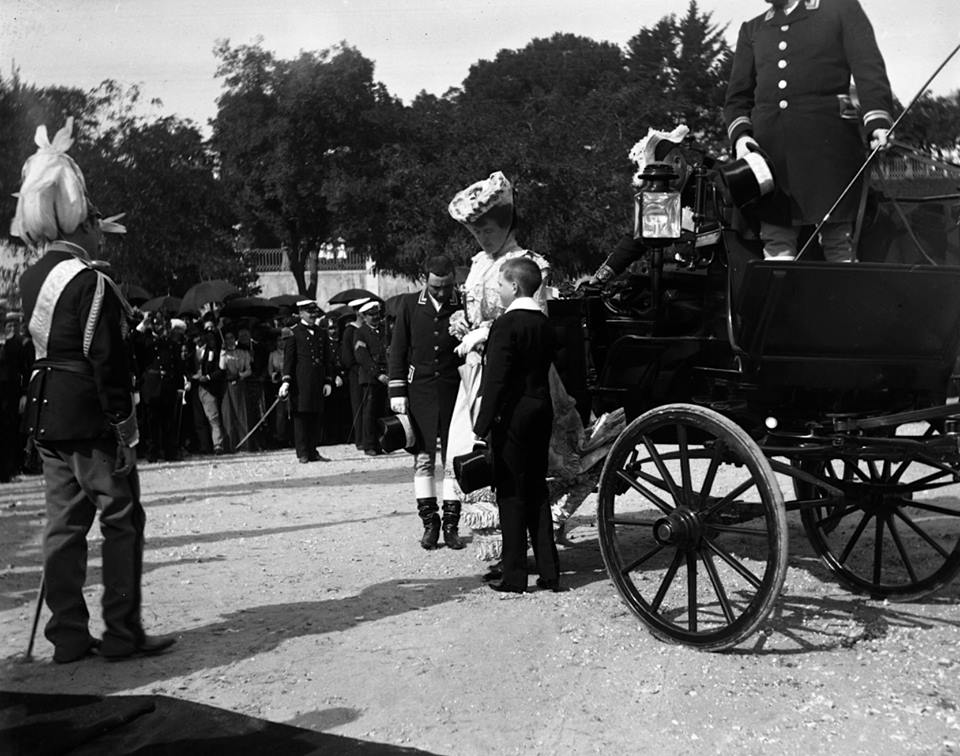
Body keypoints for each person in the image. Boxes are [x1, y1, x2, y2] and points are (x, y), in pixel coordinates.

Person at [13, 117, 175, 662]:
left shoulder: (31, 277)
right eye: (94, 223)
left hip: (46, 414)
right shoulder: (92, 280)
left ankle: (67, 637)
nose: (99, 232)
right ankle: (124, 633)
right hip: (88, 415)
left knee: (63, 526)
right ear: (79, 222)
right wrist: (125, 428)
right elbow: (107, 360)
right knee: (122, 517)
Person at [723, 0, 894, 261]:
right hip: (772, 154)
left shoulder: (841, 10)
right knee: (776, 243)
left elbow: (868, 69)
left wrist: (877, 121)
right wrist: (741, 136)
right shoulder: (752, 29)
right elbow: (737, 98)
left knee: (838, 241)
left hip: (828, 150)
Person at [444, 171, 556, 562]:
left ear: (506, 225)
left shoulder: (527, 264)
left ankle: (518, 553)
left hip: (513, 372)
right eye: (476, 232)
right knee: (474, 456)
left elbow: (533, 317)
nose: (482, 238)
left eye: (488, 230)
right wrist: (463, 324)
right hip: (476, 372)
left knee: (514, 462)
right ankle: (503, 551)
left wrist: (486, 332)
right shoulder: (479, 264)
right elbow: (473, 310)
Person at [474, 257, 560, 593]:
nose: (497, 289)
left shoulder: (506, 324)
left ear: (514, 285)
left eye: (500, 283)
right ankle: (549, 571)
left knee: (510, 493)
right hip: (541, 409)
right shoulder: (544, 323)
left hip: (513, 415)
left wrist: (480, 426)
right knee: (537, 490)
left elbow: (496, 381)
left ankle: (514, 575)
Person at [388, 255, 465, 549]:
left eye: (447, 286)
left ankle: (451, 525)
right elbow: (398, 350)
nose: (442, 293)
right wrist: (397, 392)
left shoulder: (463, 304)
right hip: (419, 391)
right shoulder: (409, 305)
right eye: (435, 287)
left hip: (454, 390)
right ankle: (430, 524)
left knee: (453, 461)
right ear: (425, 280)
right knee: (423, 459)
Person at [279, 299, 334, 463]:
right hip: (300, 382)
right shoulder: (294, 332)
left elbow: (327, 359)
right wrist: (286, 381)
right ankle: (302, 452)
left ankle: (313, 450)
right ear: (301, 313)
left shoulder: (321, 333)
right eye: (309, 313)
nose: (312, 316)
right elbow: (289, 360)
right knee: (301, 417)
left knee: (315, 416)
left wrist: (328, 380)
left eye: (314, 313)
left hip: (317, 381)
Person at [353, 300, 389, 456]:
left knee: (382, 411)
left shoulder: (384, 330)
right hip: (370, 378)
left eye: (377, 314)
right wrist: (377, 374)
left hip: (385, 375)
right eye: (371, 315)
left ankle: (380, 443)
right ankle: (369, 445)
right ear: (364, 316)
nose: (375, 318)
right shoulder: (360, 332)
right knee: (369, 413)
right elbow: (362, 356)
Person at [219, 326, 252, 452]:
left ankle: (244, 443)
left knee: (241, 413)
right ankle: (231, 445)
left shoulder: (243, 353)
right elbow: (222, 367)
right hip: (227, 386)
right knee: (228, 415)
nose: (229, 341)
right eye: (227, 338)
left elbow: (249, 370)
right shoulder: (224, 354)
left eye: (231, 338)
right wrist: (223, 352)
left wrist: (240, 375)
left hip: (240, 384)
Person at [341, 300, 367, 450]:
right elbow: (347, 357)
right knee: (358, 406)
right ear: (357, 312)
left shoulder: (367, 329)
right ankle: (360, 439)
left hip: (369, 372)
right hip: (356, 373)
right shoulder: (350, 331)